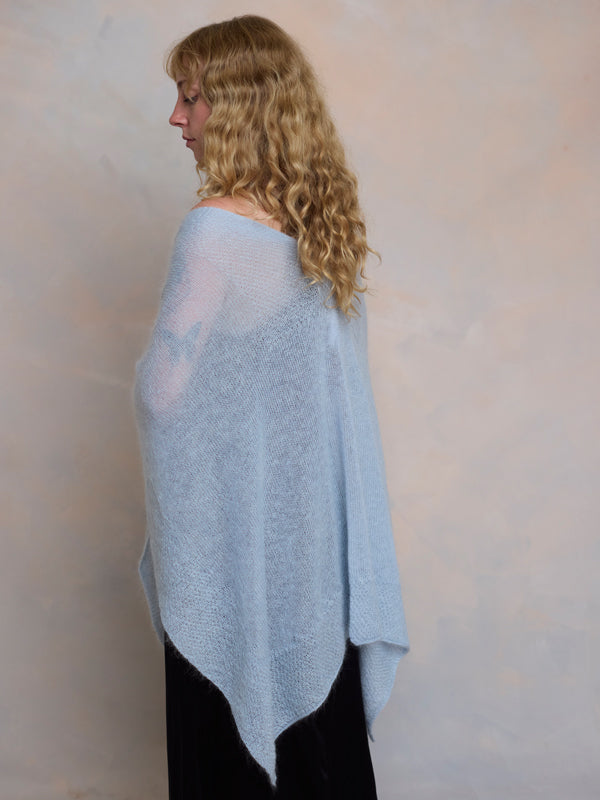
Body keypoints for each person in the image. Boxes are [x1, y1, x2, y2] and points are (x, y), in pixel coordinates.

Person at [132, 14, 410, 799]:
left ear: (239, 106)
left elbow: (162, 395)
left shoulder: (212, 233)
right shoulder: (320, 230)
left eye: (191, 98)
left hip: (232, 553)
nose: (177, 118)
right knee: (321, 764)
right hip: (316, 560)